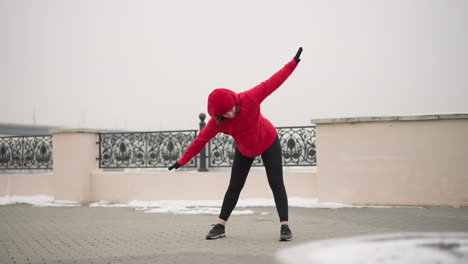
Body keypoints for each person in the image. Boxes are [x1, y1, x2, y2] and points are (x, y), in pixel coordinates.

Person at [168, 47, 303, 241]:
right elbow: (200, 141)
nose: (231, 113)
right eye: (225, 113)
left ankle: (285, 227)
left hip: (268, 140)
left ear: (234, 100)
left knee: (276, 182)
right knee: (235, 186)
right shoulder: (216, 123)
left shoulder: (249, 98)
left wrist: (292, 64)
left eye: (232, 108)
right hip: (245, 149)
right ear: (217, 114)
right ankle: (220, 226)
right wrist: (181, 161)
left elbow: (273, 82)